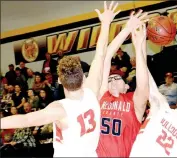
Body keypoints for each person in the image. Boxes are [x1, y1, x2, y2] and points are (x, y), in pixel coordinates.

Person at [0, 1, 117, 156]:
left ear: (60, 81)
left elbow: (26, 120)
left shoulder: (60, 109)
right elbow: (100, 53)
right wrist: (107, 22)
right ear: (83, 77)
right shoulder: (92, 91)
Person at [96, 10, 149, 157]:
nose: (112, 79)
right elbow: (105, 58)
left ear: (126, 86)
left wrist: (139, 47)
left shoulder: (134, 101)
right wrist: (127, 29)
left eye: (117, 78)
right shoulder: (101, 96)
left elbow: (143, 84)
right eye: (110, 79)